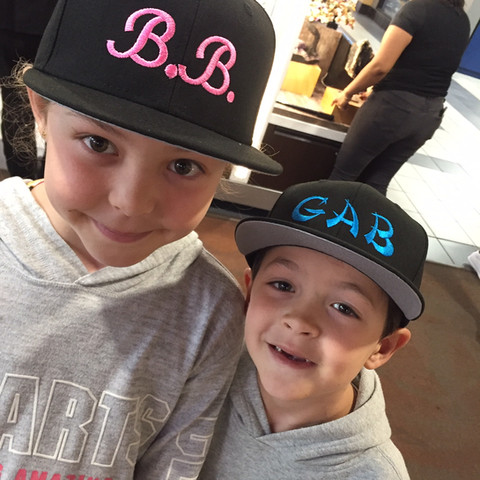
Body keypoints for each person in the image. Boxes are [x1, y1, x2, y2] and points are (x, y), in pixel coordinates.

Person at [0, 0, 282, 478]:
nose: (131, 202)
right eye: (99, 143)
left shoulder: (212, 312)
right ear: (40, 110)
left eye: (184, 166)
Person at [200, 180, 429, 479]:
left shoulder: (373, 473)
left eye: (344, 308)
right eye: (283, 285)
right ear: (249, 292)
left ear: (383, 347)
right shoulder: (202, 365)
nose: (299, 321)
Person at [328, 0, 470, 196]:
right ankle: (366, 216)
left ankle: (315, 217)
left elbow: (380, 67)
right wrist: (378, 89)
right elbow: (428, 62)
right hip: (430, 115)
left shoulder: (417, 8)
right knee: (376, 185)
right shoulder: (462, 19)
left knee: (342, 177)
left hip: (393, 109)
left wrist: (347, 92)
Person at [0, 0, 57, 178]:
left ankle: (25, 180)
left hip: (9, 18)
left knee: (15, 106)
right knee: (57, 105)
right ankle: (46, 179)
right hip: (56, 19)